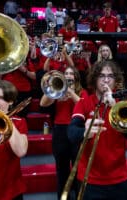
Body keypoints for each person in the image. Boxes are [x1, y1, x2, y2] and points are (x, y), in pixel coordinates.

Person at [67, 60, 127, 200]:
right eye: (102, 76)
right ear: (94, 79)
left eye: (110, 76)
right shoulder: (83, 103)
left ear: (115, 80)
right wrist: (84, 131)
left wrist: (115, 109)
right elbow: (71, 133)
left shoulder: (122, 106)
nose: (106, 80)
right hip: (90, 179)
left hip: (119, 177)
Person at [40, 66, 88, 199]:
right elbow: (43, 104)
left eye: (71, 73)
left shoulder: (81, 91)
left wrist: (71, 93)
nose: (68, 76)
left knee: (78, 168)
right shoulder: (58, 90)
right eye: (66, 73)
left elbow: (84, 105)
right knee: (62, 170)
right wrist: (53, 89)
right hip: (60, 131)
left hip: (77, 130)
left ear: (76, 77)